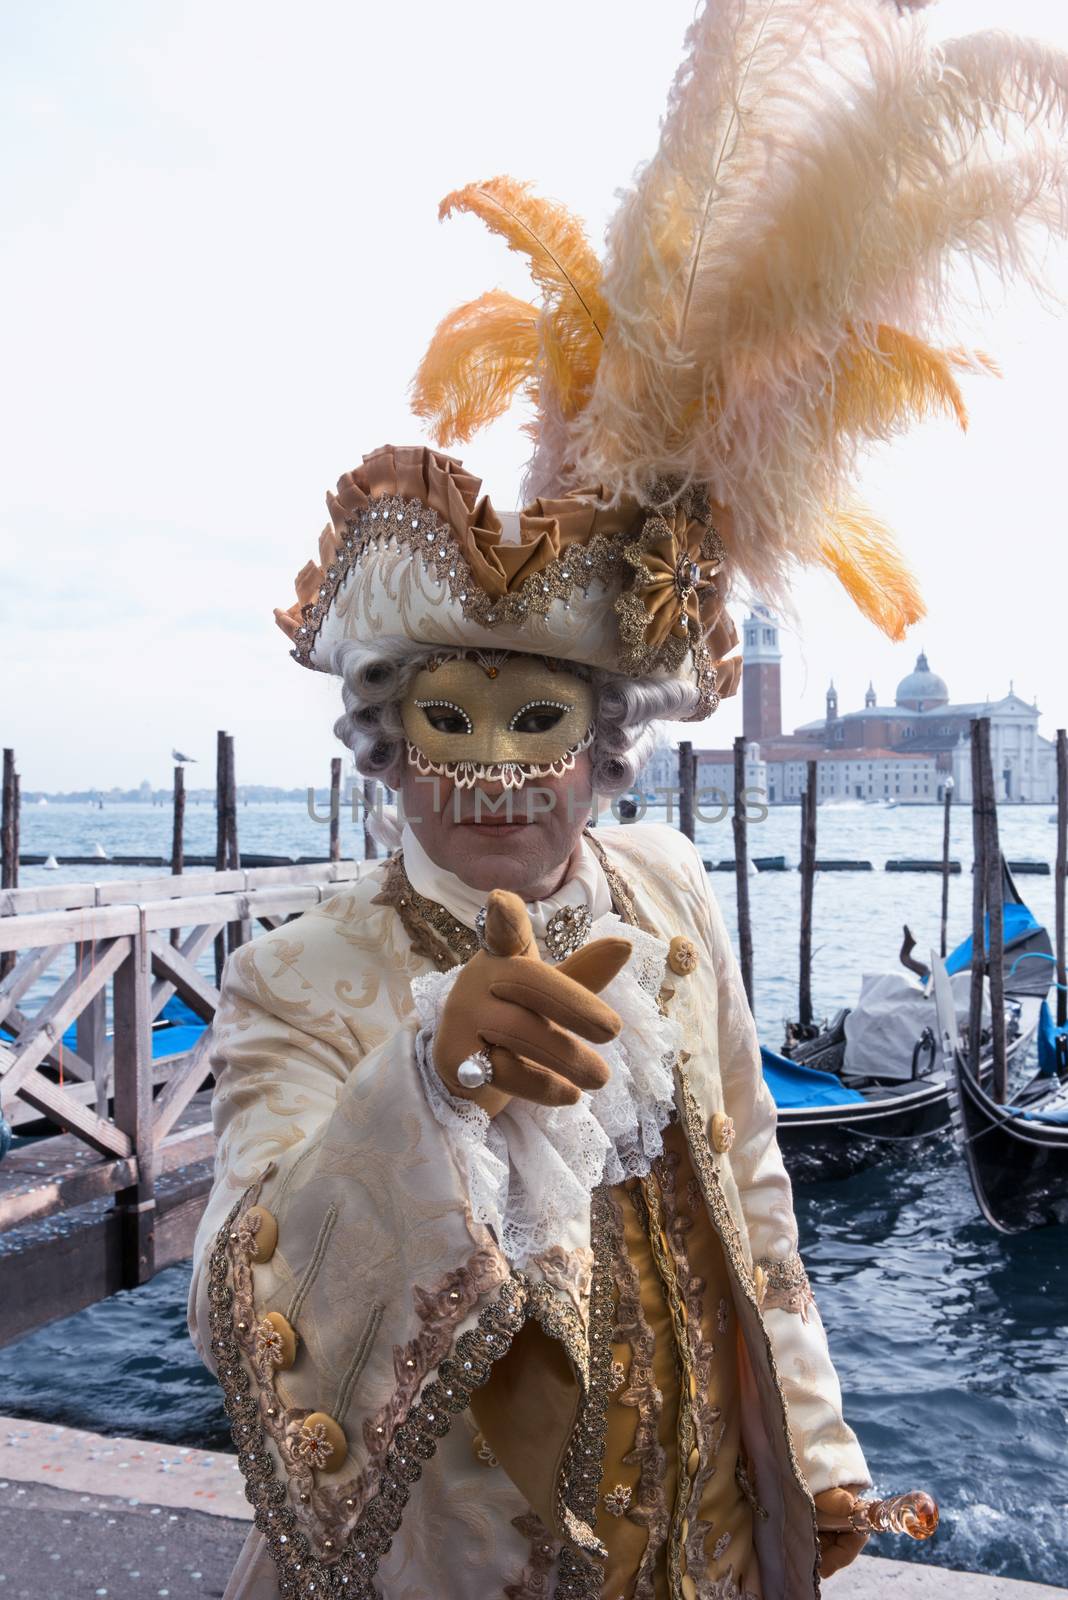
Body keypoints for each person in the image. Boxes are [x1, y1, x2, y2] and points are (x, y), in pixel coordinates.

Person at [189, 4, 1068, 1596]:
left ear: (611, 745)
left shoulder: (668, 890)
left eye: (543, 720)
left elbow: (753, 1186)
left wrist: (818, 1453)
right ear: (386, 748)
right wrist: (427, 1075)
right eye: (453, 719)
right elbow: (239, 1308)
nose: (503, 772)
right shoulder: (295, 977)